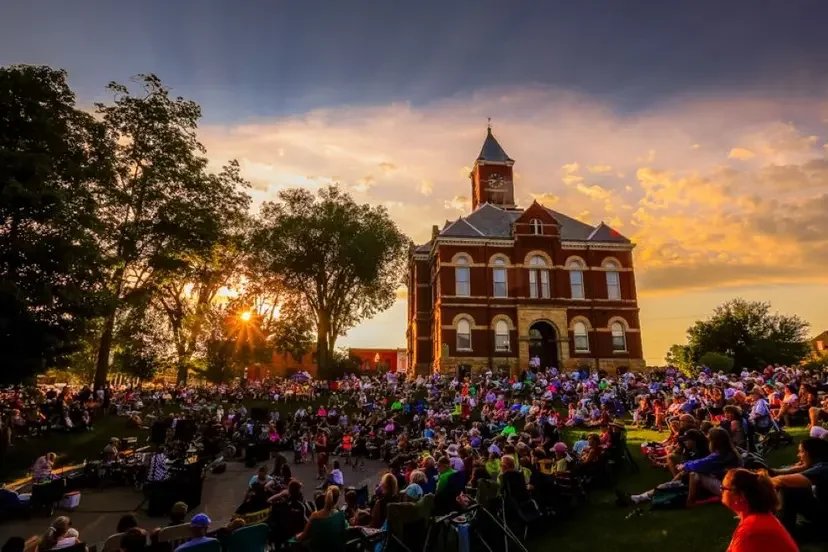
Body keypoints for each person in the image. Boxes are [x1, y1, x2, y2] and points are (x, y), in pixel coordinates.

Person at [721, 469, 797, 552]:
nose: (721, 491)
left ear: (740, 496)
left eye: (723, 488)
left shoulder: (750, 530)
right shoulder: (757, 518)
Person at [769, 437, 828, 536]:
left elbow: (785, 480)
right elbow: (798, 471)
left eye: (801, 452)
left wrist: (759, 483)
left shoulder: (823, 467)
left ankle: (783, 533)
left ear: (809, 453)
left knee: (788, 489)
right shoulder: (822, 464)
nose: (798, 455)